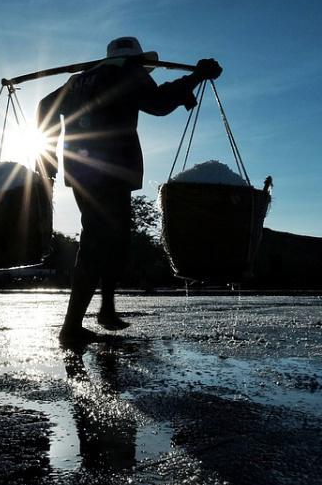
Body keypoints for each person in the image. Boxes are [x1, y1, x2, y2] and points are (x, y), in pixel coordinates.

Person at [37, 37, 222, 344]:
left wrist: (49, 163)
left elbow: (45, 106)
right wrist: (196, 76)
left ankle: (106, 309)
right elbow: (159, 102)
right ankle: (71, 328)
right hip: (109, 171)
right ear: (136, 60)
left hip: (81, 170)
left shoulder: (81, 80)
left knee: (114, 238)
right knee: (99, 240)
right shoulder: (128, 74)